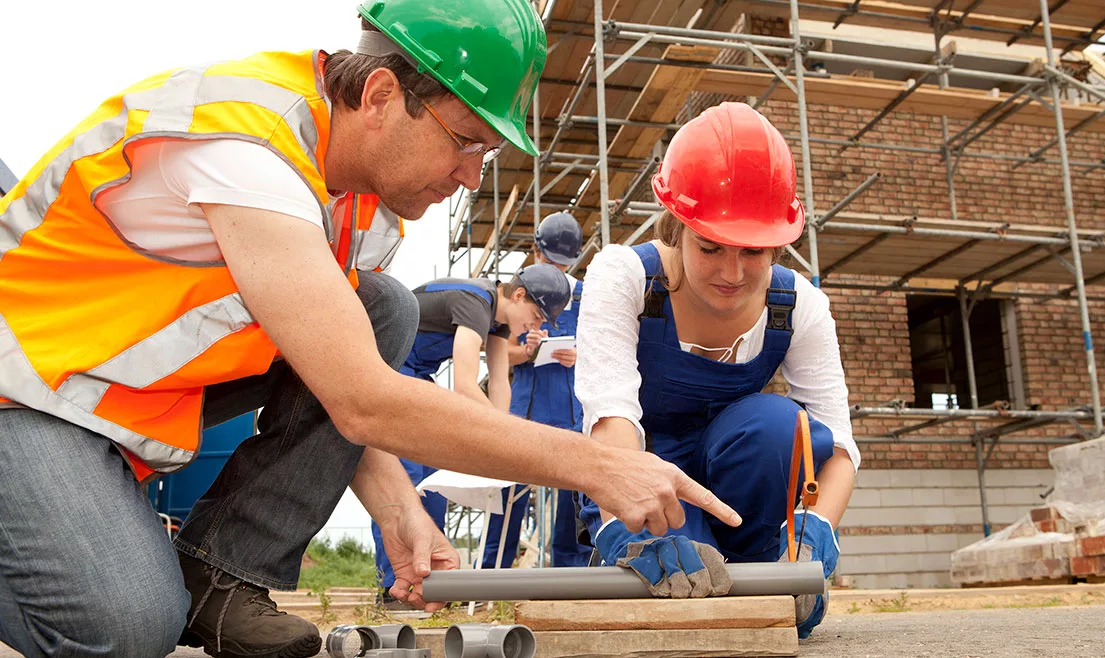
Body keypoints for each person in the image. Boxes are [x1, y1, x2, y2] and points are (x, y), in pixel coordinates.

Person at [0, 2, 742, 656]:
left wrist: (400, 511)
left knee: (380, 304)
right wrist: (602, 466)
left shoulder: (364, 205)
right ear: (383, 95)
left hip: (106, 398)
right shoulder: (247, 152)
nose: (470, 176)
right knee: (127, 629)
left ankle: (220, 575)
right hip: (24, 394)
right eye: (466, 141)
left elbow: (329, 370)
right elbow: (363, 398)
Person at [575, 102, 859, 638]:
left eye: (754, 251)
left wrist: (817, 532)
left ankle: (758, 562)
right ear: (678, 224)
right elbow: (611, 421)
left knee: (780, 426)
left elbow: (838, 445)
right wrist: (630, 531)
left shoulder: (799, 306)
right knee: (668, 612)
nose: (733, 273)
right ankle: (650, 551)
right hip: (646, 480)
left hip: (734, 486)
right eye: (710, 247)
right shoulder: (625, 278)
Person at [372, 264, 570, 588]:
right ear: (519, 295)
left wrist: (505, 440)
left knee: (432, 484)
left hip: (415, 376)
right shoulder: (474, 301)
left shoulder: (498, 322)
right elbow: (464, 386)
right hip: (388, 368)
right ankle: (394, 586)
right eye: (536, 317)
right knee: (405, 480)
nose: (536, 325)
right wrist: (505, 432)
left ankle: (428, 583)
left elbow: (498, 385)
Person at [500, 211, 594, 567]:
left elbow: (608, 348)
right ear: (535, 252)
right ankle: (494, 570)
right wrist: (525, 351)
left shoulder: (586, 296)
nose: (556, 270)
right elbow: (499, 353)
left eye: (563, 264)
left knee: (573, 500)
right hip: (527, 411)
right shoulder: (518, 294)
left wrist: (580, 354)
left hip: (572, 411)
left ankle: (571, 574)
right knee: (508, 493)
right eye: (549, 261)